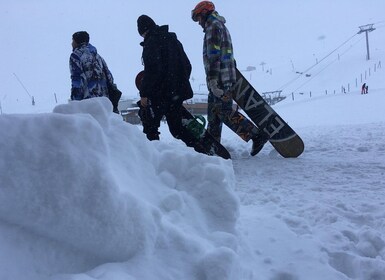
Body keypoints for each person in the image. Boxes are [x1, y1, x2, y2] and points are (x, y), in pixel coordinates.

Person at [191, 1, 269, 156]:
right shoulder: (219, 26)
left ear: (205, 13)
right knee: (214, 115)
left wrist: (213, 81)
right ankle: (212, 147)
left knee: (224, 112)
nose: (199, 22)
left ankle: (256, 135)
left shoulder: (213, 27)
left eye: (198, 18)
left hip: (220, 80)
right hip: (224, 78)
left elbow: (214, 56)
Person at [136, 15, 199, 149]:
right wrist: (179, 85)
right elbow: (187, 65)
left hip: (160, 94)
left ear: (142, 30)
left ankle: (153, 155)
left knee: (149, 122)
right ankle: (199, 147)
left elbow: (152, 70)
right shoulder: (173, 40)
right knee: (176, 129)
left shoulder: (151, 42)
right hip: (176, 93)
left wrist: (144, 94)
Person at [69, 31, 121, 113]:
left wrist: (75, 101)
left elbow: (77, 79)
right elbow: (109, 76)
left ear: (77, 41)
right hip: (104, 100)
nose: (71, 43)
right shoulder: (98, 56)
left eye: (73, 41)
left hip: (89, 102)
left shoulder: (76, 56)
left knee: (91, 125)